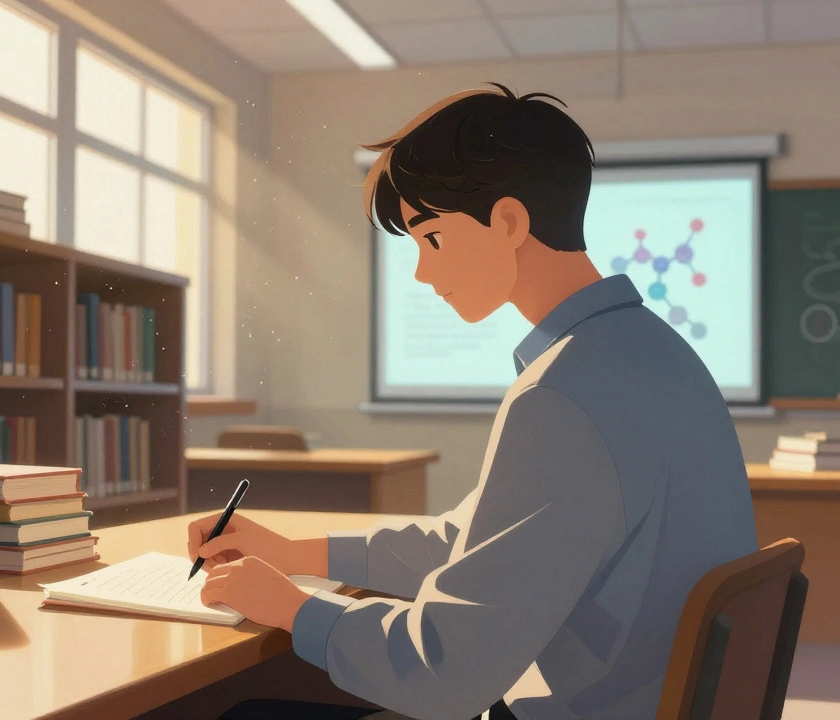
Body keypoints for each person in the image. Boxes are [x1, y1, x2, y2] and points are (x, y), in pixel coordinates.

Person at [189, 84, 759, 720]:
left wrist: (293, 607)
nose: (422, 274)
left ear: (509, 222)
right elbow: (479, 544)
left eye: (430, 239)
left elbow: (444, 671)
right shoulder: (651, 355)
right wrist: (297, 555)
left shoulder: (564, 395)